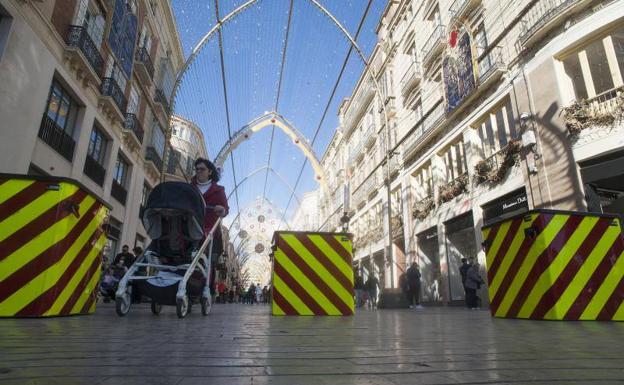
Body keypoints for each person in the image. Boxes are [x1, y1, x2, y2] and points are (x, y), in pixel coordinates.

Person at [191, 158, 229, 295]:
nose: (198, 172)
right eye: (197, 169)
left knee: (208, 262)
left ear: (210, 172)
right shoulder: (190, 187)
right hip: (190, 227)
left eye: (202, 169)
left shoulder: (218, 190)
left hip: (210, 232)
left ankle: (206, 289)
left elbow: (225, 209)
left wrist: (222, 210)